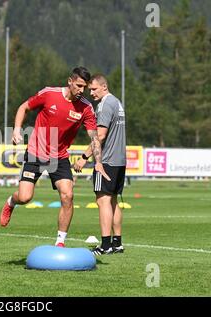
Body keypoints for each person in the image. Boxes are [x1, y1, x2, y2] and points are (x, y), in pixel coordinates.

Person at [0, 67, 110, 247]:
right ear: (70, 81)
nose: (81, 91)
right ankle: (11, 202)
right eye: (79, 86)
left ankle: (60, 242)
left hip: (59, 157)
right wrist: (17, 130)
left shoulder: (86, 108)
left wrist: (96, 161)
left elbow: (94, 137)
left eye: (84, 87)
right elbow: (23, 107)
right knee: (25, 197)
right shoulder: (49, 94)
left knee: (68, 195)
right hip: (36, 152)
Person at [76, 74, 126, 255]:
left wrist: (84, 156)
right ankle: (117, 243)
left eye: (94, 89)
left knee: (102, 200)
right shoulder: (117, 102)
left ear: (104, 87)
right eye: (90, 89)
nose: (91, 93)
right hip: (120, 161)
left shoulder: (104, 105)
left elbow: (101, 136)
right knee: (113, 200)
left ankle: (105, 245)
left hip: (106, 161)